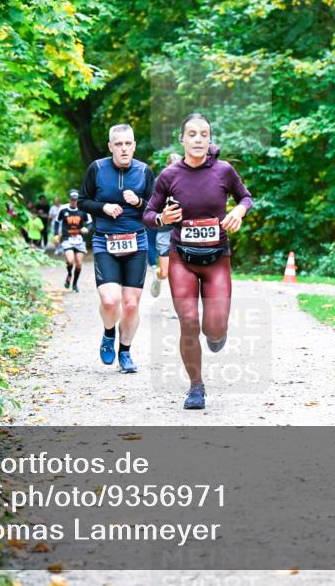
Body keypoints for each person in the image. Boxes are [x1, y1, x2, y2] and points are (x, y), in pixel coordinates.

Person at [143, 114, 252, 409]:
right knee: (189, 322)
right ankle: (196, 387)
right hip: (183, 259)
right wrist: (162, 218)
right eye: (192, 134)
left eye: (204, 134)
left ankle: (217, 334)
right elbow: (148, 214)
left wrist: (238, 213)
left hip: (217, 258)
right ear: (182, 139)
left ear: (210, 139)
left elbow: (246, 198)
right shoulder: (169, 176)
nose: (198, 139)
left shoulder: (224, 170)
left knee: (213, 329)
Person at [78, 124, 155, 374]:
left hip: (136, 241)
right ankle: (109, 333)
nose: (124, 148)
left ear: (134, 145)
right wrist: (104, 208)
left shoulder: (144, 171)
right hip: (105, 239)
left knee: (131, 304)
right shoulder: (97, 169)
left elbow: (155, 209)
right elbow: (83, 201)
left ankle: (125, 352)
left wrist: (140, 201)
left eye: (128, 143)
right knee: (110, 300)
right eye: (118, 144)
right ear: (110, 146)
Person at [147, 152, 184, 298]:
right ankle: (158, 277)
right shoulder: (158, 183)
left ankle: (180, 307)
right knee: (165, 272)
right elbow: (151, 207)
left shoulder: (188, 180)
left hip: (184, 230)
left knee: (182, 272)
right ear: (167, 167)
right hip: (165, 230)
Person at [54, 190, 92, 292]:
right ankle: (69, 274)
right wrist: (56, 235)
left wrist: (87, 229)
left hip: (79, 239)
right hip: (67, 238)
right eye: (72, 200)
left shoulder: (83, 210)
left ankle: (75, 284)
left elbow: (90, 223)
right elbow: (57, 222)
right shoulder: (63, 209)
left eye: (76, 200)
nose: (74, 202)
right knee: (70, 261)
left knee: (79, 264)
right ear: (69, 199)